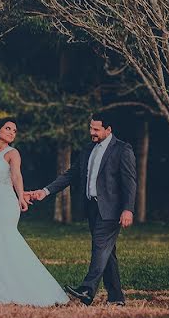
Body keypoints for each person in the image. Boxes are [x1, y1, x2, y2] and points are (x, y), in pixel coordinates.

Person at [26, 114, 137, 306]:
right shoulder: (88, 149)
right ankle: (116, 297)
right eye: (90, 128)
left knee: (100, 246)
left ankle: (87, 289)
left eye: (96, 129)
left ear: (108, 130)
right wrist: (45, 191)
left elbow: (130, 182)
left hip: (111, 209)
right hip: (92, 208)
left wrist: (128, 209)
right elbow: (71, 175)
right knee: (107, 253)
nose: (91, 132)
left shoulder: (122, 149)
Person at [0, 118, 69, 306]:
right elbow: (2, 180)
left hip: (7, 204)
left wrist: (20, 196)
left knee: (2, 239)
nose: (12, 132)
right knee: (0, 244)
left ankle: (33, 287)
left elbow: (16, 176)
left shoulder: (13, 153)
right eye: (8, 128)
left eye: (14, 130)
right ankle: (2, 284)